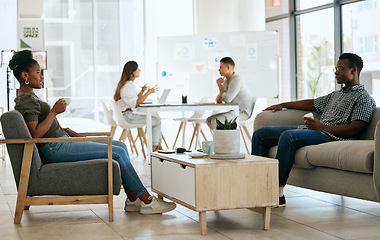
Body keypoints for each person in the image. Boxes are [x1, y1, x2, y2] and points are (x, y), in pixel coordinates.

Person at [9, 50, 176, 215]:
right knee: (116, 151)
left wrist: (65, 130)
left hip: (60, 141)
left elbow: (42, 127)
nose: (41, 76)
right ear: (25, 75)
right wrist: (54, 111)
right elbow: (36, 134)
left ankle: (132, 199)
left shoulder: (31, 97)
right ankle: (147, 201)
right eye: (38, 72)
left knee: (120, 146)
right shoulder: (26, 100)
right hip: (55, 148)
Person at [251, 53, 376, 207]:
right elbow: (312, 103)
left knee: (289, 136)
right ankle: (257, 188)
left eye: (341, 69)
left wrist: (322, 127)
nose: (336, 72)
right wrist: (283, 104)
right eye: (335, 69)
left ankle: (277, 194)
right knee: (260, 135)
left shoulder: (363, 97)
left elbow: (356, 128)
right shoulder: (336, 95)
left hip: (332, 135)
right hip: (316, 130)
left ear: (354, 70)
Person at [114, 61, 163, 151]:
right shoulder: (129, 86)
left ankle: (158, 145)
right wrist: (148, 92)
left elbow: (134, 100)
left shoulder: (126, 84)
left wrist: (143, 91)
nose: (139, 70)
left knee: (155, 120)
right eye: (138, 69)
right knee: (156, 121)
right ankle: (155, 147)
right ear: (132, 71)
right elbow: (135, 104)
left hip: (125, 115)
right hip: (127, 116)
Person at [206, 57, 254, 129]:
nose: (219, 70)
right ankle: (221, 139)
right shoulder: (226, 81)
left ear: (228, 67)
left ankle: (223, 139)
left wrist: (219, 85)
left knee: (215, 121)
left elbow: (227, 99)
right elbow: (219, 100)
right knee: (209, 120)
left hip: (243, 113)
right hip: (235, 111)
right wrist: (221, 87)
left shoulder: (236, 80)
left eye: (221, 67)